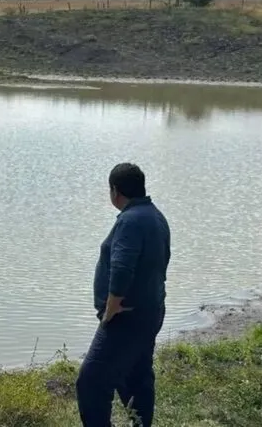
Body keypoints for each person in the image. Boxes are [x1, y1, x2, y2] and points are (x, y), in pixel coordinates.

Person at [76, 163, 170, 427]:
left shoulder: (130, 221)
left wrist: (110, 309)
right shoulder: (155, 216)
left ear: (114, 191)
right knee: (136, 377)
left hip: (126, 319)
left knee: (91, 382)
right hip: (150, 312)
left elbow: (122, 266)